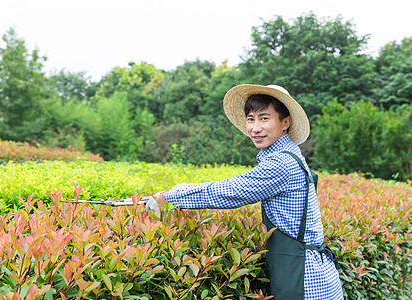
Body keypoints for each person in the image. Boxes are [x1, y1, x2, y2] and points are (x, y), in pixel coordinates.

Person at [147, 84, 343, 299]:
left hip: (305, 278)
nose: (255, 128)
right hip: (309, 269)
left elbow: (231, 191)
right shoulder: (289, 153)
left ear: (285, 122)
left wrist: (171, 196)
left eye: (264, 118)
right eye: (251, 119)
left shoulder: (281, 163)